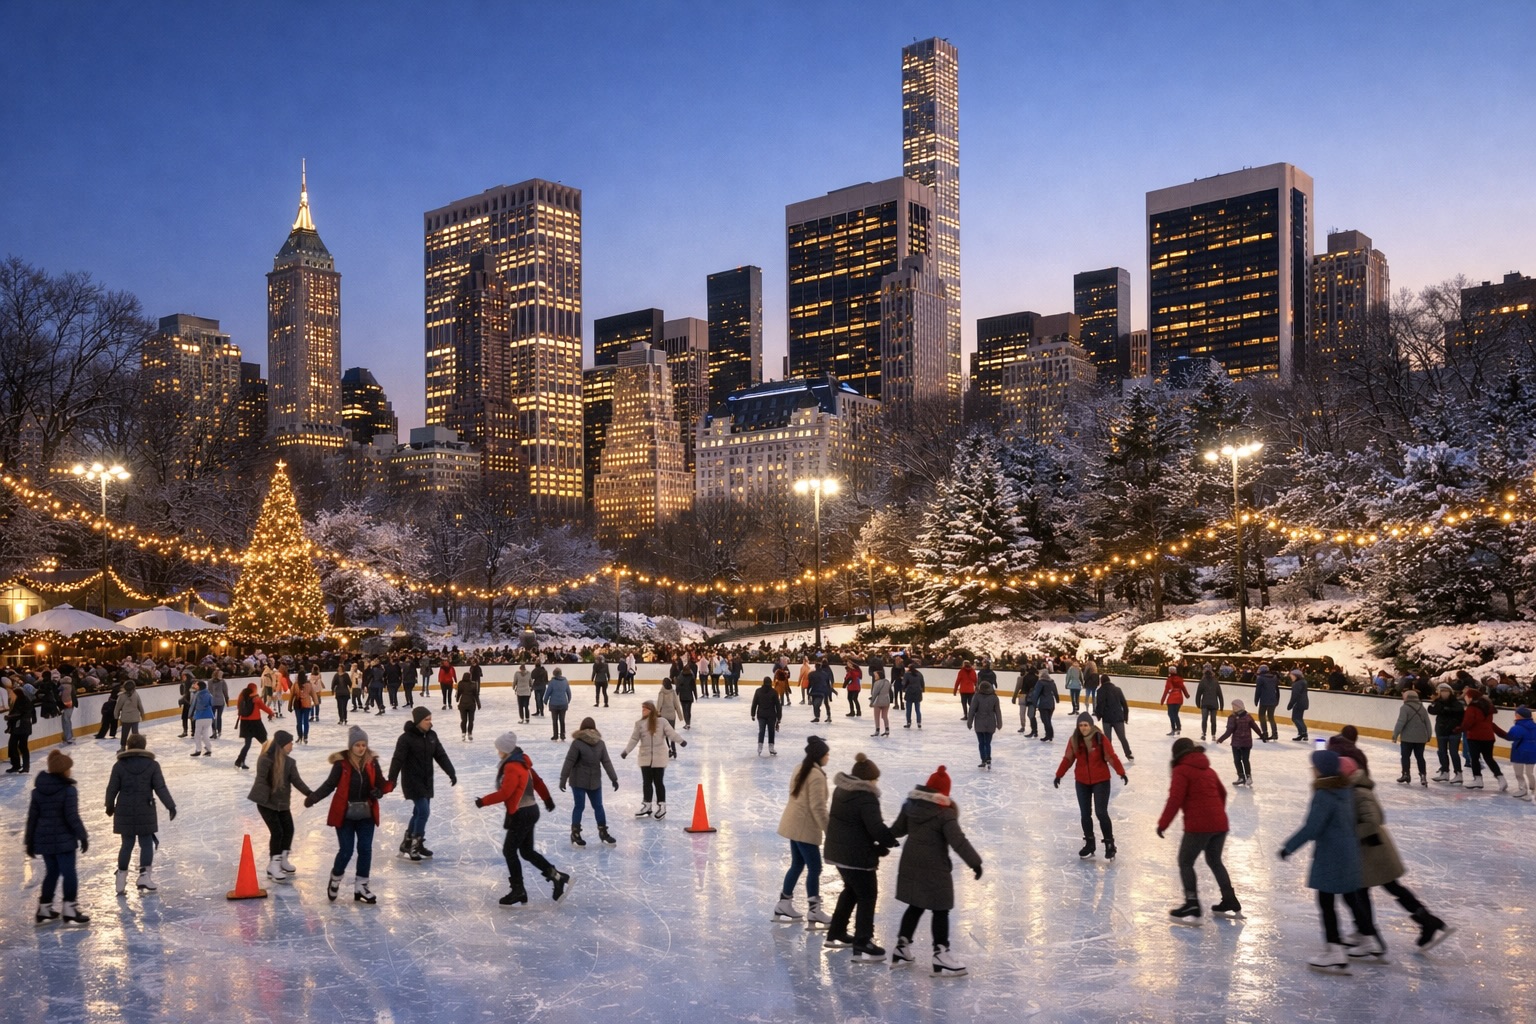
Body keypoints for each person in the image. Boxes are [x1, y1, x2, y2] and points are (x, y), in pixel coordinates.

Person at [1344, 754, 1454, 954]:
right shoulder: (1354, 791)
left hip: (1373, 852)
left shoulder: (1359, 792)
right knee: (1388, 889)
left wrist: (1348, 835)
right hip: (1370, 852)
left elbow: (1373, 820)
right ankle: (1427, 921)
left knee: (1363, 892)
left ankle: (1370, 937)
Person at [1279, 749, 1369, 974]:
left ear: (1320, 769)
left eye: (1314, 766)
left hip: (1331, 856)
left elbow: (1312, 827)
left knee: (1326, 903)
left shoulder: (1324, 794)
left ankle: (1335, 950)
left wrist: (1288, 847)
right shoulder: (1345, 789)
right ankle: (1368, 938)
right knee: (1348, 897)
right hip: (1348, 853)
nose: (1312, 769)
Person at [889, 766, 982, 976]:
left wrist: (878, 840)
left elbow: (896, 830)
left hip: (911, 861)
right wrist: (975, 863)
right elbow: (958, 841)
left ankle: (901, 948)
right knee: (940, 908)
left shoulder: (911, 806)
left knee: (916, 904)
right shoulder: (944, 813)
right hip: (934, 866)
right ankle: (941, 954)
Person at [474, 731, 570, 905]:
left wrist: (483, 801)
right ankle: (557, 877)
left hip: (522, 814)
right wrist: (547, 799)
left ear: (506, 750)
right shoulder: (523, 762)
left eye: (499, 749)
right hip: (530, 811)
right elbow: (538, 782)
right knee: (526, 852)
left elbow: (505, 793)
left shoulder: (512, 766)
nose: (498, 752)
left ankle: (518, 890)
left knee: (509, 851)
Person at [822, 752, 898, 961]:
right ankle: (863, 941)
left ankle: (836, 932)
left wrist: (880, 845)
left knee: (852, 891)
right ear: (869, 779)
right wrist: (889, 840)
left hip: (837, 852)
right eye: (875, 779)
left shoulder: (842, 789)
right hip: (855, 857)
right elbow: (875, 828)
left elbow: (856, 826)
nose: (876, 782)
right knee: (867, 895)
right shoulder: (866, 796)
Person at [1156, 736, 1240, 923]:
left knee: (1185, 861)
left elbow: (1175, 800)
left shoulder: (1181, 770)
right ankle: (1230, 899)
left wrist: (1163, 824)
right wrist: (1216, 814)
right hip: (1220, 824)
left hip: (1199, 825)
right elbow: (1223, 793)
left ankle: (1192, 902)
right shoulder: (1209, 770)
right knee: (1215, 860)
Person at [305, 726, 393, 903]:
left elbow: (381, 783)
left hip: (366, 813)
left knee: (365, 849)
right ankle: (335, 878)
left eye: (364, 745)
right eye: (358, 745)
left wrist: (380, 791)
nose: (361, 748)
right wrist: (313, 797)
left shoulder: (372, 762)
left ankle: (361, 886)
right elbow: (330, 785)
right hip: (345, 814)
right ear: (351, 746)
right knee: (346, 850)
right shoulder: (342, 764)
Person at [104, 733, 177, 895]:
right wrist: (170, 806)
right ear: (144, 746)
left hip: (124, 810)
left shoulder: (119, 766)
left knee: (126, 845)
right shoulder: (152, 765)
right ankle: (144, 877)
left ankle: (121, 879)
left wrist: (109, 806)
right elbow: (160, 788)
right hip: (146, 809)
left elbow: (111, 788)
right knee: (145, 843)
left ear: (129, 746)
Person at [25, 749, 90, 925]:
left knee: (52, 872)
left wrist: (29, 842)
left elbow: (32, 818)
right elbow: (72, 817)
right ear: (64, 771)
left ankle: (44, 909)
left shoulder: (37, 791)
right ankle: (69, 910)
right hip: (64, 840)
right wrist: (82, 836)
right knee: (69, 873)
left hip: (43, 839)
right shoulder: (68, 791)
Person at [387, 707, 458, 863]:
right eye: (427, 720)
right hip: (412, 781)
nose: (429, 722)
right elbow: (397, 760)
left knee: (418, 813)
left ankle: (407, 843)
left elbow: (440, 755)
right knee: (424, 812)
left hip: (427, 781)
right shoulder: (405, 739)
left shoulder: (432, 736)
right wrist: (392, 780)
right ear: (418, 721)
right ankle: (415, 845)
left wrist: (451, 772)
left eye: (430, 719)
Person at [775, 735, 832, 927]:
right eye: (826, 754)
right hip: (804, 827)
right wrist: (829, 831)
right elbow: (818, 807)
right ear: (819, 756)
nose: (828, 757)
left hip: (793, 824)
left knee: (798, 864)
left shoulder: (800, 768)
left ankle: (784, 903)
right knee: (815, 867)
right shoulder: (815, 775)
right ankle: (814, 911)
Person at [1054, 713, 1128, 859]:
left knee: (1101, 812)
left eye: (1086, 725)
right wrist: (1059, 775)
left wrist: (1121, 772)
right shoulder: (1074, 740)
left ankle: (1109, 844)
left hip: (1101, 780)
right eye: (1080, 725)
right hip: (1082, 782)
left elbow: (1111, 756)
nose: (1083, 728)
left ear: (1091, 725)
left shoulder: (1100, 738)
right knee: (1085, 814)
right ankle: (1089, 844)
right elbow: (1068, 759)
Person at [247, 730, 312, 885]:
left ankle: (283, 859)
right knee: (277, 832)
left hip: (282, 804)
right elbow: (261, 780)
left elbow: (297, 781)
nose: (292, 746)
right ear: (283, 744)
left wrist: (310, 793)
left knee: (289, 829)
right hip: (266, 803)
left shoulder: (290, 763)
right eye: (290, 743)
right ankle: (273, 865)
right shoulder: (265, 760)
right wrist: (264, 796)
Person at [559, 717, 618, 846]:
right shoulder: (599, 743)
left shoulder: (577, 743)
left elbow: (569, 762)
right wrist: (613, 778)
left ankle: (576, 833)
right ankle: (603, 832)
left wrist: (563, 779)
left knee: (580, 806)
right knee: (598, 806)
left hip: (580, 782)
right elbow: (606, 762)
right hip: (592, 781)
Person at [621, 700, 685, 818]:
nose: (643, 711)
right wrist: (626, 751)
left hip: (659, 757)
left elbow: (671, 733)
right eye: (642, 709)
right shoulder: (639, 724)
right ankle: (647, 805)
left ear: (651, 710)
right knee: (647, 782)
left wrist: (680, 741)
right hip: (645, 757)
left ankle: (661, 805)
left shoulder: (661, 722)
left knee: (658, 782)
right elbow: (634, 739)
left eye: (645, 709)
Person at [1453, 685, 1510, 791]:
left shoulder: (1472, 708)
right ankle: (1501, 778)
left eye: (1466, 696)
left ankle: (1478, 779)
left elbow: (1468, 723)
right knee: (1489, 758)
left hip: (1475, 737)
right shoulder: (1487, 708)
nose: (1465, 698)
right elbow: (1490, 724)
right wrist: (1504, 735)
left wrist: (1458, 729)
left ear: (1471, 697)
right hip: (1488, 737)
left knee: (1474, 758)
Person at [1391, 689, 1433, 786]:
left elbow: (1401, 722)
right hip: (1421, 738)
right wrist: (1429, 735)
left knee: (1405, 756)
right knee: (1420, 757)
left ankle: (1406, 774)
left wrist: (1395, 735)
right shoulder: (1422, 708)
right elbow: (1427, 723)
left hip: (1407, 738)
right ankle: (1423, 775)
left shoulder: (1404, 708)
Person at [1428, 682, 1465, 784]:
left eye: (1446, 691)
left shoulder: (1456, 703)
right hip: (1442, 730)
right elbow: (1432, 710)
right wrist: (1434, 701)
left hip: (1454, 731)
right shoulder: (1438, 702)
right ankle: (1445, 771)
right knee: (1441, 752)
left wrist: (1445, 709)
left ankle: (1458, 773)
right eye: (1442, 691)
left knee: (1453, 752)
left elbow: (1459, 712)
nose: (1444, 693)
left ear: (1450, 692)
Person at [234, 682, 275, 770]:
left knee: (247, 744)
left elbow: (239, 708)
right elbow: (263, 707)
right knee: (265, 743)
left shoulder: (241, 696)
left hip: (245, 723)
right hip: (256, 723)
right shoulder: (256, 698)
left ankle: (239, 761)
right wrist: (271, 713)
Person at [1093, 673, 1133, 762]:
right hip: (1118, 718)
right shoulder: (1117, 689)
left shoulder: (1100, 691)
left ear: (1101, 682)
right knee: (1122, 737)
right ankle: (1128, 754)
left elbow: (1099, 705)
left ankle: (1108, 756)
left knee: (1107, 739)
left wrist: (1098, 715)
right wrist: (1125, 716)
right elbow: (1124, 704)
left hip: (1106, 719)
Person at [965, 680, 1003, 769]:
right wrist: (999, 723)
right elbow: (998, 711)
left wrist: (969, 722)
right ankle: (988, 758)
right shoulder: (994, 697)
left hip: (979, 723)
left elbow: (972, 710)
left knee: (981, 743)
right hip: (991, 723)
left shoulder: (977, 696)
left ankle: (983, 759)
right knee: (988, 743)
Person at [6, 680, 35, 772]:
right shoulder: (18, 700)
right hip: (18, 727)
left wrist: (10, 717)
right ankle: (17, 765)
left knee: (21, 746)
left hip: (23, 727)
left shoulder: (25, 701)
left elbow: (21, 713)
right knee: (13, 745)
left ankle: (25, 766)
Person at [751, 676, 783, 756]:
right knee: (771, 731)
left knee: (761, 730)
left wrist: (753, 714)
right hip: (771, 715)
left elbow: (754, 703)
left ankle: (760, 746)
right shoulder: (774, 692)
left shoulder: (758, 691)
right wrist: (779, 717)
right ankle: (771, 747)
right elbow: (778, 706)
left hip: (761, 714)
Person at [1509, 706, 1535, 800]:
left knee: (1519, 773)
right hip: (1532, 752)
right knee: (1530, 773)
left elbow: (1510, 737)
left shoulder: (1517, 727)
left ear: (1519, 716)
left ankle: (1523, 789)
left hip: (1519, 752)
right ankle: (1533, 788)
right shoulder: (1534, 726)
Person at [1253, 663, 1280, 742]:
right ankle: (1275, 733)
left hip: (1264, 700)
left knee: (1261, 716)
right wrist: (1277, 700)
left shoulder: (1260, 678)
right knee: (1271, 717)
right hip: (1273, 700)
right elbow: (1277, 690)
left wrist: (1256, 700)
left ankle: (1265, 733)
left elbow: (1258, 690)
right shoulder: (1274, 677)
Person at [1195, 668, 1224, 741]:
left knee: (1204, 719)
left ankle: (1204, 733)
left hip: (1205, 704)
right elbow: (1220, 695)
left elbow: (1198, 694)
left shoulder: (1202, 682)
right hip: (1214, 704)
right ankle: (1213, 735)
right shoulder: (1215, 682)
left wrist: (1198, 703)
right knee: (1213, 720)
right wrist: (1221, 705)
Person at [1030, 668, 1059, 742]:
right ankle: (1049, 735)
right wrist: (1057, 699)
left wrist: (1034, 703)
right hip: (1051, 704)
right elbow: (1055, 692)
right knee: (1048, 720)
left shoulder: (1040, 682)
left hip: (1043, 704)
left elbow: (1036, 693)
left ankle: (1049, 735)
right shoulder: (1052, 682)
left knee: (1045, 720)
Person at [115, 680, 144, 752]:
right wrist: (142, 714)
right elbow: (140, 705)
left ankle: (123, 747)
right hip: (135, 718)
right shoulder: (136, 694)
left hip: (126, 718)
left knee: (124, 733)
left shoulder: (122, 696)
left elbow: (117, 707)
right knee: (135, 734)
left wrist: (116, 716)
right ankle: (137, 748)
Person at [189, 680, 216, 756]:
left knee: (197, 734)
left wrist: (190, 715)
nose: (195, 686)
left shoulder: (197, 695)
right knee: (205, 734)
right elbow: (212, 703)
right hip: (209, 716)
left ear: (199, 687)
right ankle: (209, 749)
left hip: (200, 717)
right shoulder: (209, 694)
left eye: (197, 685)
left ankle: (198, 750)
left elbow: (193, 705)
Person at [457, 666, 482, 742]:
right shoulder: (474, 684)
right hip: (471, 704)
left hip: (463, 704)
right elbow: (476, 695)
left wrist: (457, 699)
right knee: (471, 720)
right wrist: (478, 703)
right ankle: (470, 733)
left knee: (463, 720)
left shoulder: (460, 683)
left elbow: (459, 693)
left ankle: (463, 733)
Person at [1161, 668, 1187, 736]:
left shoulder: (1169, 680)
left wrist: (1162, 700)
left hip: (1172, 699)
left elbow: (1166, 690)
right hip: (1179, 699)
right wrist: (1187, 695)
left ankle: (1174, 728)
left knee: (1170, 714)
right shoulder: (1180, 679)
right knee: (1175, 713)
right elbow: (1183, 687)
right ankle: (1178, 727)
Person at [1288, 669, 1311, 742]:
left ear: (1295, 676)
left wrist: (1290, 704)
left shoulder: (1297, 684)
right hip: (1303, 702)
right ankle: (1303, 733)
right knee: (1299, 718)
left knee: (1295, 718)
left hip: (1298, 703)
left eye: (1291, 675)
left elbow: (1295, 695)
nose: (1290, 677)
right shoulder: (1303, 682)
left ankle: (1302, 733)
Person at [868, 667, 892, 738]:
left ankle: (877, 730)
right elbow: (890, 692)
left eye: (876, 675)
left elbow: (874, 693)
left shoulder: (877, 683)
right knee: (885, 716)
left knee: (877, 717)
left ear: (879, 675)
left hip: (878, 701)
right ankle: (887, 730)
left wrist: (871, 702)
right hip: (886, 701)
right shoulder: (887, 682)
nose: (875, 677)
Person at [902, 661, 926, 730]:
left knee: (908, 709)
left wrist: (903, 689)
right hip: (917, 693)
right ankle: (919, 722)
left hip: (909, 692)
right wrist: (922, 690)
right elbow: (922, 683)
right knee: (917, 709)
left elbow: (904, 683)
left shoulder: (907, 674)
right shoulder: (919, 674)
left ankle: (908, 722)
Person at [808, 659, 834, 724]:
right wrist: (830, 692)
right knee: (826, 703)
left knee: (815, 704)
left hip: (815, 691)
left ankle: (817, 716)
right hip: (824, 691)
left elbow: (810, 684)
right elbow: (829, 683)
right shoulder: (825, 673)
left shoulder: (811, 674)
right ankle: (828, 716)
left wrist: (808, 692)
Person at [674, 663, 697, 729]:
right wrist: (695, 696)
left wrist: (676, 694)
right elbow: (694, 687)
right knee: (688, 711)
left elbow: (678, 687)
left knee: (684, 710)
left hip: (683, 696)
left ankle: (687, 723)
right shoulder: (691, 677)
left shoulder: (680, 677)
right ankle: (688, 723)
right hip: (689, 696)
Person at [208, 669, 230, 739]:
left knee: (212, 717)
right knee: (219, 717)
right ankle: (219, 731)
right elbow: (225, 691)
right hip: (220, 702)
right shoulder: (222, 682)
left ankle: (214, 731)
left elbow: (209, 692)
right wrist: (227, 700)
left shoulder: (209, 681)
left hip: (212, 701)